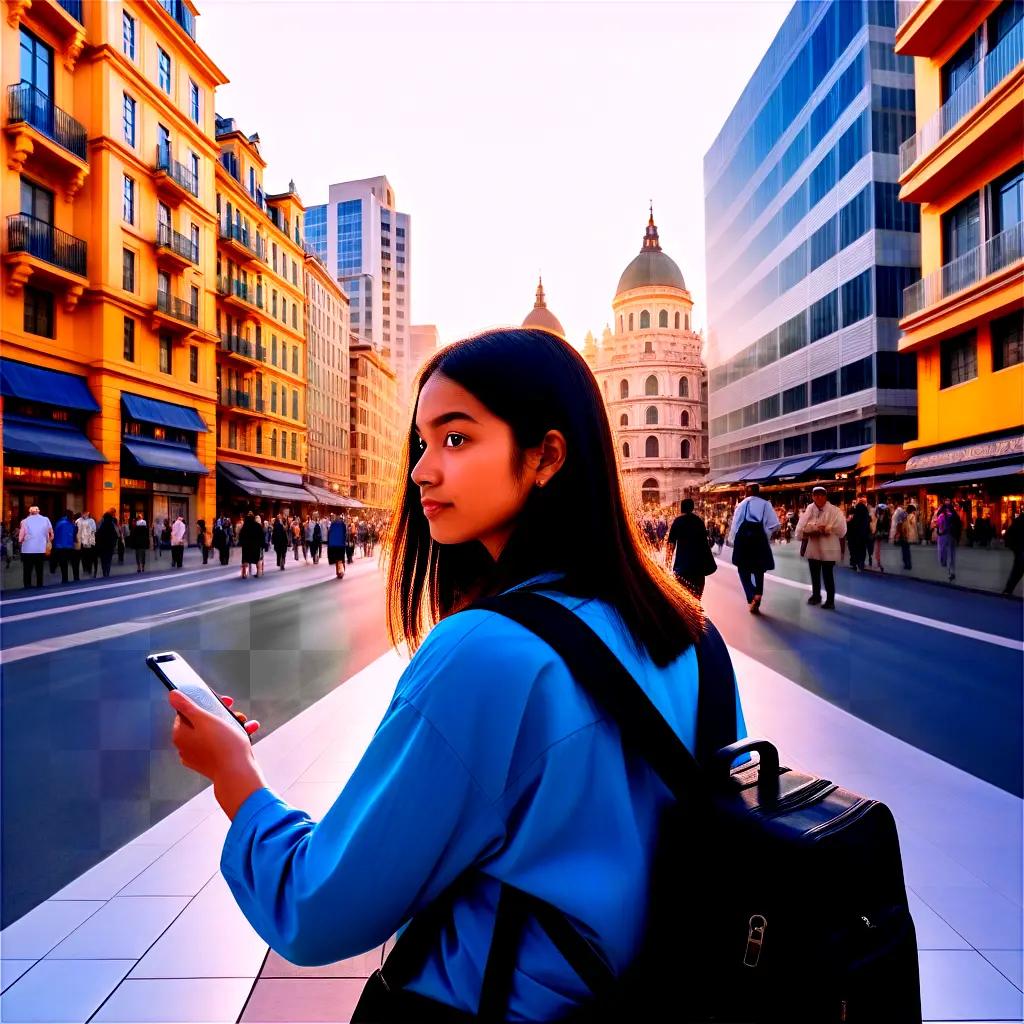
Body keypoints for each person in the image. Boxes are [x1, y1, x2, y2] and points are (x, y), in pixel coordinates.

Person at [166, 326, 746, 1023]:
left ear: (546, 456)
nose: (421, 470)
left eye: (456, 438)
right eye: (421, 442)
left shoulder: (485, 652)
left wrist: (235, 775)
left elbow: (319, 908)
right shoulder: (693, 638)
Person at [727, 482, 779, 614]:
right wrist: (765, 536)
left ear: (746, 492)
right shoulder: (766, 504)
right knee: (759, 569)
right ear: (758, 491)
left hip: (743, 540)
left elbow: (735, 524)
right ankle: (758, 595)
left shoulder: (742, 504)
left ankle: (751, 596)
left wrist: (732, 539)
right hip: (759, 540)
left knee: (742, 570)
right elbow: (774, 525)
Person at [795, 486, 847, 609]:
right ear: (812, 496)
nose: (818, 497)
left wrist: (827, 528)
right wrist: (813, 528)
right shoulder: (809, 509)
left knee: (828, 575)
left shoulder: (834, 510)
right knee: (814, 574)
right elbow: (800, 528)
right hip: (813, 547)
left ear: (825, 496)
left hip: (829, 547)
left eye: (821, 494)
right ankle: (816, 596)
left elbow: (842, 529)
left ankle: (830, 601)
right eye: (815, 495)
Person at [665, 498, 715, 599]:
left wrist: (667, 563)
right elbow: (705, 543)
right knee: (696, 599)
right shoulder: (699, 521)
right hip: (698, 569)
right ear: (692, 508)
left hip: (682, 568)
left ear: (681, 508)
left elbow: (671, 543)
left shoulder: (678, 521)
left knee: (682, 599)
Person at [17, 505, 52, 589]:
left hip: (27, 549)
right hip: (40, 548)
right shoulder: (46, 519)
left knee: (27, 569)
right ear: (38, 511)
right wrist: (48, 540)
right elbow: (50, 532)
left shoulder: (24, 521)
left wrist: (20, 541)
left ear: (30, 512)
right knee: (39, 568)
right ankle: (39, 584)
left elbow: (21, 536)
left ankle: (27, 585)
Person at [932, 500, 961, 581]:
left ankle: (945, 564)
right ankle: (951, 571)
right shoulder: (954, 515)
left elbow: (938, 526)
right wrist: (957, 538)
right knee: (951, 555)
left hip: (943, 537)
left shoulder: (941, 515)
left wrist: (939, 532)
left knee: (943, 552)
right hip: (952, 537)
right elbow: (959, 526)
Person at [53, 510, 79, 584]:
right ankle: (76, 578)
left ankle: (65, 579)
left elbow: (56, 534)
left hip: (60, 547)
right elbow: (74, 533)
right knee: (74, 563)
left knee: (63, 564)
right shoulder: (71, 524)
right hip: (69, 546)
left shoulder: (59, 523)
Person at [1002, 511, 1024, 596]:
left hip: (1019, 550)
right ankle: (1008, 590)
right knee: (1017, 571)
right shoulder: (1019, 521)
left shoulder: (1018, 521)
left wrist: (1014, 548)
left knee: (1017, 571)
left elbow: (1008, 535)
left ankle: (1008, 590)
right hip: (1020, 549)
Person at [846, 500, 871, 572]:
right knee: (862, 550)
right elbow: (868, 528)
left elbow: (849, 528)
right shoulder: (866, 518)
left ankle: (855, 563)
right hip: (863, 538)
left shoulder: (854, 518)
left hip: (854, 539)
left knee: (854, 551)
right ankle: (861, 563)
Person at [239, 511, 264, 579]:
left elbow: (241, 536)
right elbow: (261, 536)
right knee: (257, 559)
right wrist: (262, 544)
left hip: (246, 546)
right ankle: (258, 573)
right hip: (256, 546)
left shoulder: (245, 526)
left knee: (245, 559)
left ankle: (244, 574)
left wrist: (241, 543)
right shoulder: (258, 526)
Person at [95, 509, 119, 578]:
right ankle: (107, 572)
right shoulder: (112, 525)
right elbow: (115, 535)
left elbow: (97, 535)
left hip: (102, 546)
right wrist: (114, 544)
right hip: (110, 545)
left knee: (103, 560)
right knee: (108, 559)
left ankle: (104, 572)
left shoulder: (101, 525)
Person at [77, 510, 97, 578]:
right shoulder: (79, 520)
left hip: (89, 541)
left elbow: (94, 530)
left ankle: (89, 568)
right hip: (82, 541)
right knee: (83, 555)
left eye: (86, 513)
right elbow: (77, 529)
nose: (84, 514)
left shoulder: (91, 521)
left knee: (89, 555)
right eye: (83, 513)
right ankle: (85, 568)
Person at [327, 513, 347, 579]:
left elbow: (330, 533)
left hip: (334, 544)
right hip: (340, 544)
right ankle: (341, 571)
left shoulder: (333, 524)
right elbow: (345, 533)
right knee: (340, 559)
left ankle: (338, 572)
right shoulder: (342, 524)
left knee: (337, 559)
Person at [872, 502, 891, 573]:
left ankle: (880, 563)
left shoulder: (884, 518)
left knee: (880, 549)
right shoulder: (880, 517)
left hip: (882, 535)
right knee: (878, 549)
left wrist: (882, 531)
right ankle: (879, 563)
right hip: (880, 535)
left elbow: (885, 526)